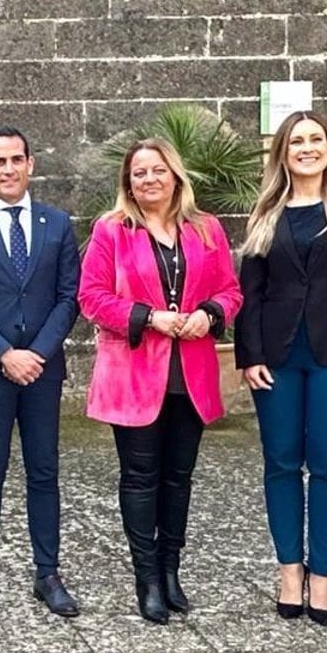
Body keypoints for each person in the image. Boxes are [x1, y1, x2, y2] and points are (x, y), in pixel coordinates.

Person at [78, 139, 243, 623]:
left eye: (157, 171)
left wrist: (209, 314)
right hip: (133, 376)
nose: (148, 180)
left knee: (179, 477)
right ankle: (146, 577)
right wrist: (147, 316)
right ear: (128, 183)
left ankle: (171, 570)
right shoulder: (112, 231)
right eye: (138, 173)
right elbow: (91, 297)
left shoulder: (206, 229)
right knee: (141, 477)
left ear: (175, 175)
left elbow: (230, 291)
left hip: (190, 373)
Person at [236, 110, 327, 625]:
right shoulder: (266, 210)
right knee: (280, 464)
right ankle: (289, 572)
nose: (307, 148)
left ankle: (323, 576)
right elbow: (248, 293)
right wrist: (248, 355)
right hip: (276, 358)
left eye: (315, 139)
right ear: (282, 151)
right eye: (296, 140)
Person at [0, 127, 82, 620]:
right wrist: (5, 353)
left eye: (16, 159)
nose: (8, 169)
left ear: (31, 164)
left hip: (43, 370)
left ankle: (48, 572)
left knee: (44, 471)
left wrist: (37, 353)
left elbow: (70, 297)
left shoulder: (56, 223)